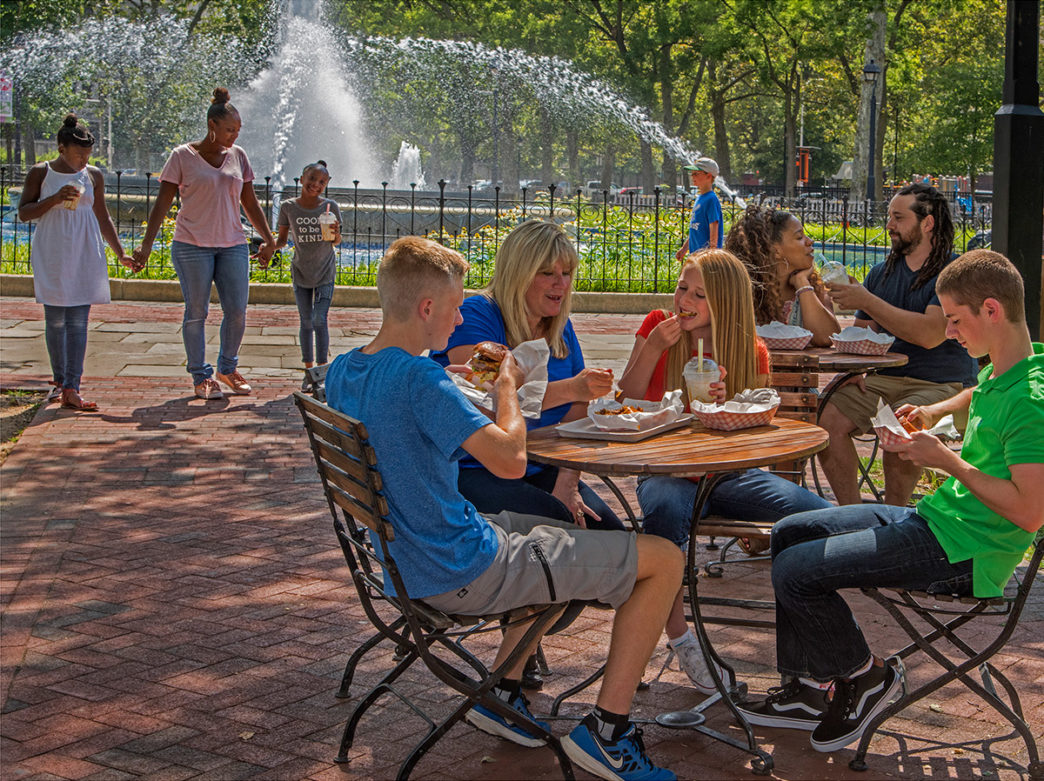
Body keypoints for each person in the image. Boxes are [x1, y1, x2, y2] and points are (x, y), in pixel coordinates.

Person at [325, 236, 683, 781]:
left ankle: (503, 691)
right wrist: (508, 387)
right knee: (663, 560)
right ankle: (608, 734)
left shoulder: (345, 371)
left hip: (404, 558)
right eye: (453, 308)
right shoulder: (420, 378)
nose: (459, 321)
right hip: (457, 566)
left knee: (553, 521)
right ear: (426, 308)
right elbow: (511, 461)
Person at [737, 249, 1044, 755]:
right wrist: (934, 409)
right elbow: (977, 394)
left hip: (968, 551)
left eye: (955, 321)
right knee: (791, 530)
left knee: (795, 570)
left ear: (991, 310)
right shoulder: (1011, 368)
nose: (949, 333)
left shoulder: (1032, 400)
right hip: (941, 523)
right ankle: (812, 689)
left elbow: (1030, 511)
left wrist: (944, 460)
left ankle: (865, 676)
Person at [617, 248, 831, 693]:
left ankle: (802, 663)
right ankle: (681, 640)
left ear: (726, 302)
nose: (684, 301)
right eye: (682, 288)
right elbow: (626, 401)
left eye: (700, 294)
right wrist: (655, 347)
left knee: (815, 519)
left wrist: (727, 404)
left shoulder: (748, 349)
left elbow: (754, 438)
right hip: (666, 469)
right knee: (663, 526)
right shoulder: (657, 327)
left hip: (729, 476)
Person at [431, 219, 623, 532]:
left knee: (614, 537)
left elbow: (577, 417)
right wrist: (572, 388)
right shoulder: (476, 314)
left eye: (567, 272)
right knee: (572, 533)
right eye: (547, 272)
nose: (561, 283)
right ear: (519, 274)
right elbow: (484, 401)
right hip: (469, 471)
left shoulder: (561, 329)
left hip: (541, 468)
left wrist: (568, 484)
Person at [819, 183, 977, 505]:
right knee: (826, 422)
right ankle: (854, 518)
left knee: (898, 431)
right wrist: (853, 368)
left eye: (898, 217)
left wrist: (866, 299)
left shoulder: (952, 272)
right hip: (882, 381)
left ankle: (893, 522)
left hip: (941, 384)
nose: (889, 225)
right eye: (889, 217)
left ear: (927, 222)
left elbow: (930, 334)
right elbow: (861, 334)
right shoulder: (881, 272)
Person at [133, 87, 276, 401]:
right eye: (229, 130)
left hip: (233, 244)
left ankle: (227, 368)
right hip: (191, 244)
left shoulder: (239, 156)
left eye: (238, 130)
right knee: (196, 312)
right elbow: (162, 204)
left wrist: (269, 240)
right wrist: (145, 246)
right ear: (212, 126)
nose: (234, 136)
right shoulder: (182, 156)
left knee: (237, 311)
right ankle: (201, 376)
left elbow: (249, 203)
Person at [17, 114, 136, 411]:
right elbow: (25, 212)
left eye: (87, 155)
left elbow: (102, 216)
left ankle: (73, 386)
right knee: (56, 321)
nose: (84, 160)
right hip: (54, 250)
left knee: (78, 322)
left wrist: (120, 252)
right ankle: (60, 381)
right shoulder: (41, 173)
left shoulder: (93, 175)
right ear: (61, 149)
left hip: (85, 250)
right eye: (78, 154)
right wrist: (55, 198)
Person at [724, 204, 839, 346]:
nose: (810, 241)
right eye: (799, 237)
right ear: (776, 251)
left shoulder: (813, 287)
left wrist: (802, 283)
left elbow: (827, 338)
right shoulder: (741, 289)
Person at [274, 160, 341, 391]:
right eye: (312, 179)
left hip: (325, 272)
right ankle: (308, 370)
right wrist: (268, 248)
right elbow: (282, 240)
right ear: (302, 179)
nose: (316, 184)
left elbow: (336, 240)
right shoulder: (288, 207)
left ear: (327, 184)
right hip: (301, 272)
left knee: (318, 320)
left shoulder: (330, 206)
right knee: (305, 321)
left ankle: (321, 371)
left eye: (321, 182)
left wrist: (335, 233)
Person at [675, 157, 723, 261]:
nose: (692, 176)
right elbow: (695, 228)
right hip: (696, 256)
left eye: (696, 174)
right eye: (692, 174)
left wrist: (711, 254)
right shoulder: (700, 198)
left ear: (708, 176)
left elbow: (714, 227)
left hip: (706, 258)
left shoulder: (711, 199)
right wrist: (684, 249)